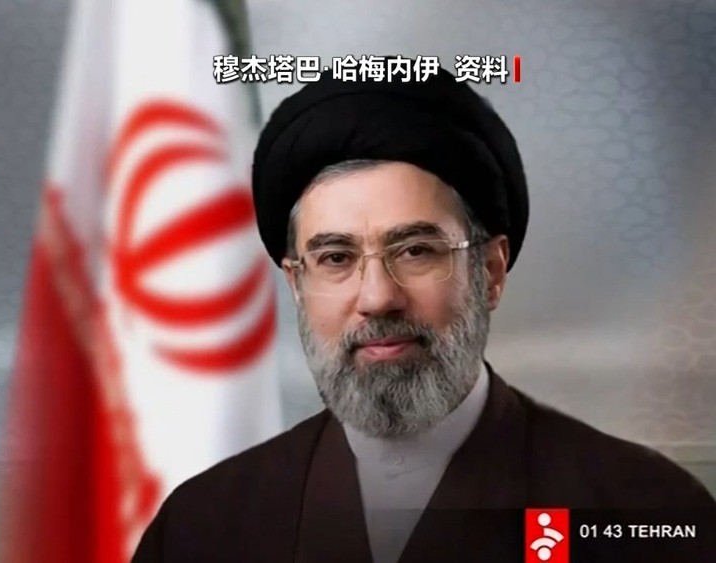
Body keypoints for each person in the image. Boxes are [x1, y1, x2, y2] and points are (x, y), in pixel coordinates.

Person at [131, 64, 716, 563]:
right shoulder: (203, 527)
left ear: (490, 271)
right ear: (297, 284)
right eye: (335, 258)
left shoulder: (647, 513)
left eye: (416, 251)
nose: (377, 297)